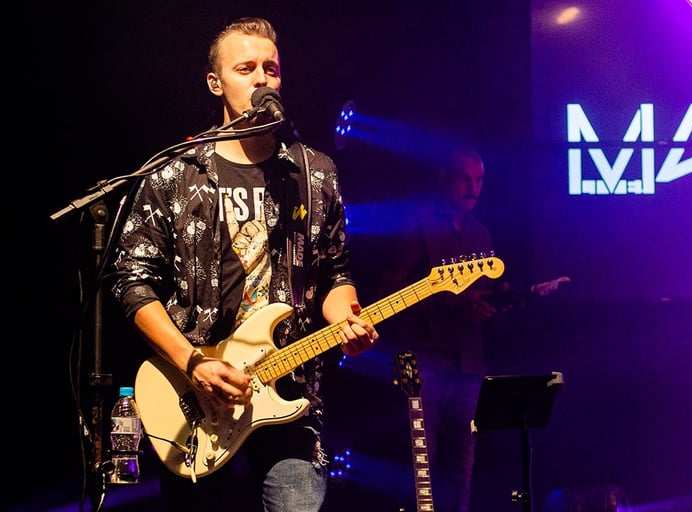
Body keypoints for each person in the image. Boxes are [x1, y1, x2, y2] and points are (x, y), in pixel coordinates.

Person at [104, 17, 378, 512]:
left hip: (289, 393)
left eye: (270, 69)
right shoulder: (176, 173)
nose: (261, 79)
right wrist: (194, 362)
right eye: (245, 67)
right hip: (194, 397)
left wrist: (346, 320)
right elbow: (133, 285)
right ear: (216, 83)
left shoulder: (315, 174)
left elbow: (335, 273)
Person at [374, 145, 568, 512]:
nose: (473, 188)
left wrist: (505, 301)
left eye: (479, 180)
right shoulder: (418, 225)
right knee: (422, 467)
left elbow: (483, 300)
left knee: (462, 468)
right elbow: (389, 296)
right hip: (424, 365)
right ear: (443, 178)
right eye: (465, 178)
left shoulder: (481, 233)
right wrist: (452, 302)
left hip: (469, 367)